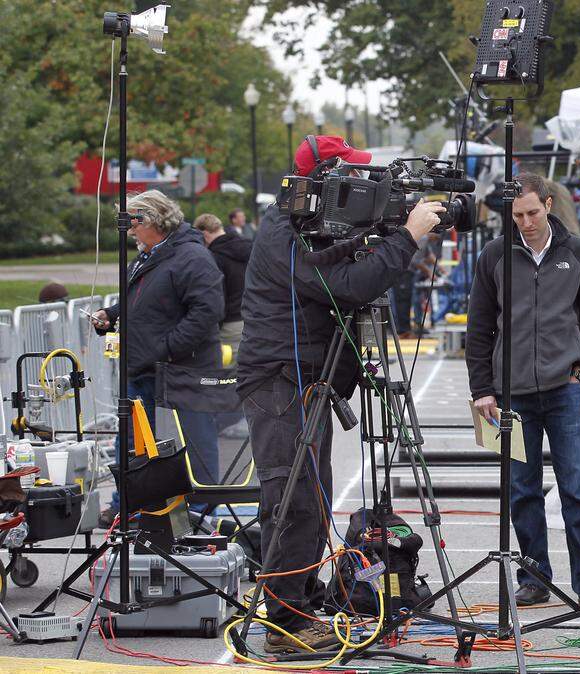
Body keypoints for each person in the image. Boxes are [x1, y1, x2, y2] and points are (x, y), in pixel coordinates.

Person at [237, 136, 444, 653]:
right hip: (280, 377)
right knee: (292, 497)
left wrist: (391, 225)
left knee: (314, 496)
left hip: (305, 377)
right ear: (324, 178)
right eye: (351, 175)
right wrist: (408, 238)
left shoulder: (307, 221)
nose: (361, 184)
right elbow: (348, 284)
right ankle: (283, 625)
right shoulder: (284, 231)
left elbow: (345, 256)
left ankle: (301, 605)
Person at [466, 172, 580, 614]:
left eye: (532, 212)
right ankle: (533, 578)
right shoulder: (494, 256)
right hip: (510, 397)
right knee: (522, 490)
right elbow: (478, 329)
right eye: (517, 215)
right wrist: (482, 389)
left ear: (548, 205)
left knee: (579, 488)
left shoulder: (578, 253)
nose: (526, 222)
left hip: (565, 392)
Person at [90, 190, 224, 524]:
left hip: (180, 371)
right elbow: (141, 298)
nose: (130, 231)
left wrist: (166, 347)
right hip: (143, 368)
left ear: (155, 220)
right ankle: (129, 506)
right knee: (133, 442)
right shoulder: (149, 255)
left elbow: (208, 312)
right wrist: (112, 313)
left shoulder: (191, 257)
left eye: (134, 223)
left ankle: (201, 515)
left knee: (193, 444)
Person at [194, 213, 253, 363]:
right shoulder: (249, 246)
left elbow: (217, 295)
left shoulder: (213, 257)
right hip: (253, 316)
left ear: (204, 234)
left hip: (229, 321)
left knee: (228, 374)